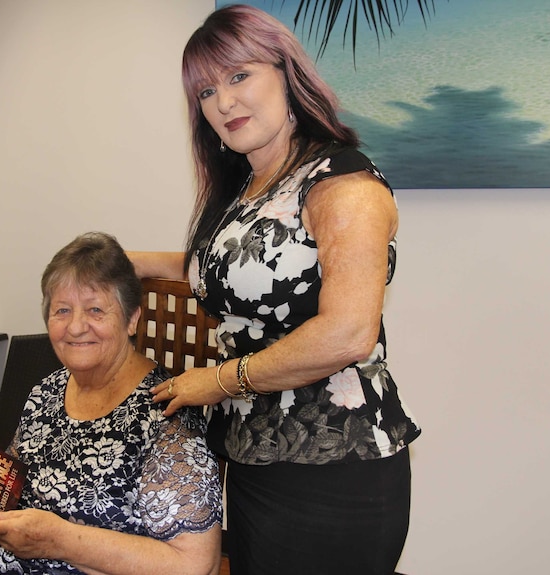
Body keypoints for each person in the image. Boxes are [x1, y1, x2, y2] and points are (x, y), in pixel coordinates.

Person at [128, 5, 421, 574]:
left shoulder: (343, 183)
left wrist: (216, 381)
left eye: (240, 76)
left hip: (337, 465)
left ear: (288, 74)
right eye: (207, 91)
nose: (224, 102)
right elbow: (242, 270)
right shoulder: (251, 185)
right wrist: (129, 263)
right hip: (254, 456)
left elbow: (347, 332)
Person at [0, 231, 223, 575]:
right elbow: (14, 485)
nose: (75, 327)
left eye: (95, 309)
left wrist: (59, 541)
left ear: (132, 318)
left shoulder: (168, 415)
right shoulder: (47, 391)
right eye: (62, 310)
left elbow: (194, 565)